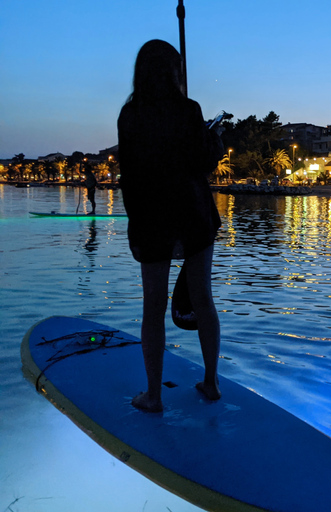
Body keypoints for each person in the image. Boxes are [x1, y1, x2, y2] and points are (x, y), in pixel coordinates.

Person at [118, 39, 223, 412]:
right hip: (193, 216)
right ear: (173, 72)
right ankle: (210, 382)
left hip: (152, 220)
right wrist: (214, 141)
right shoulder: (188, 110)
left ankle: (153, 395)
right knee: (203, 300)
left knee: (153, 308)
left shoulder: (130, 116)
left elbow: (128, 177)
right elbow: (202, 162)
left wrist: (134, 228)